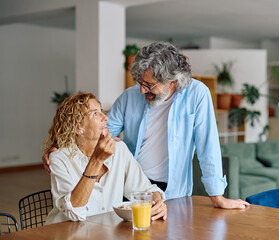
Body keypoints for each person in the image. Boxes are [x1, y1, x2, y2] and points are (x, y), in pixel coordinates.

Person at [43, 42, 249, 209]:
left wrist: (218, 197)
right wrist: (59, 146)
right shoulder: (129, 97)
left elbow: (208, 146)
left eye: (149, 85)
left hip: (173, 190)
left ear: (172, 81)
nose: (141, 91)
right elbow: (101, 133)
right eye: (140, 82)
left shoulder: (197, 95)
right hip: (131, 187)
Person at [43, 92, 167, 224]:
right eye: (95, 113)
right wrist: (97, 160)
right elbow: (74, 212)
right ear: (78, 127)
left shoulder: (119, 149)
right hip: (65, 233)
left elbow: (145, 190)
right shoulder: (59, 158)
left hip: (105, 232)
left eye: (101, 110)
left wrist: (157, 202)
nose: (105, 117)